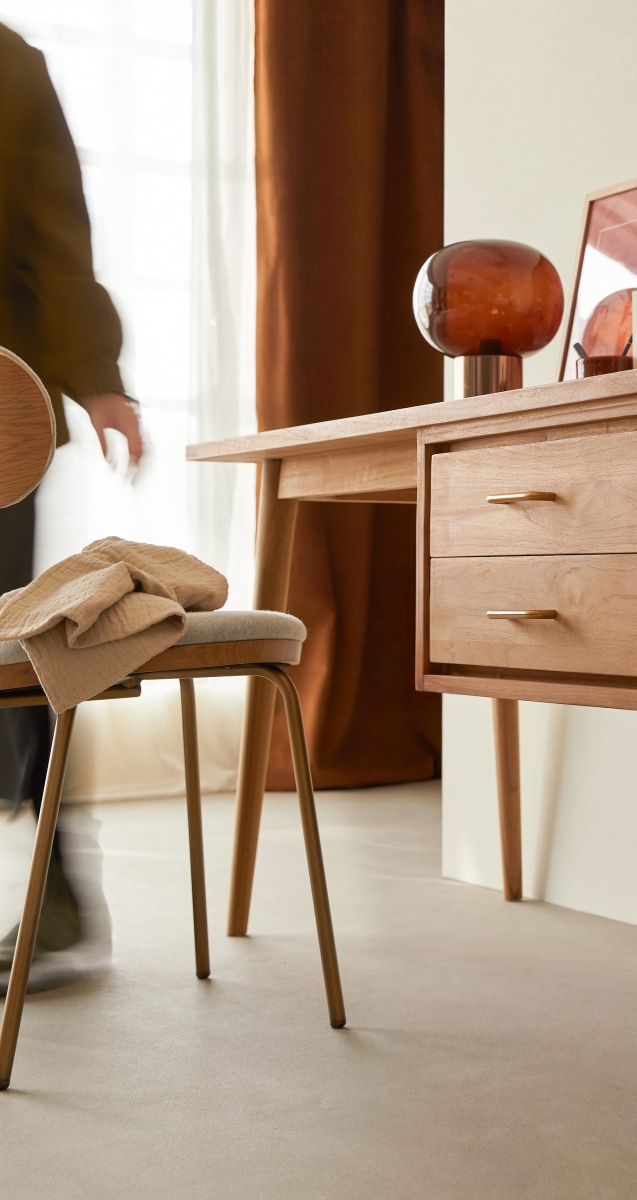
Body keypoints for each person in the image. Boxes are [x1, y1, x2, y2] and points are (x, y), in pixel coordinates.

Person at [0, 22, 144, 974]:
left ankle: (55, 896)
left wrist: (95, 373)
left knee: (11, 649)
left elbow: (52, 226)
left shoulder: (5, 63)